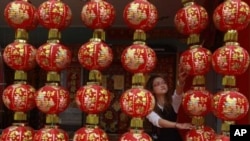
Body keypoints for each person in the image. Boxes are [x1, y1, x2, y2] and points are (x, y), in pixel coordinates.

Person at [145, 65, 194, 141]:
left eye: (163, 83)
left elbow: (178, 94)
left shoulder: (173, 102)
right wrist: (177, 125)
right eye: (157, 84)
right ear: (152, 90)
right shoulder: (149, 107)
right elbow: (158, 121)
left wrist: (180, 81)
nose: (162, 85)